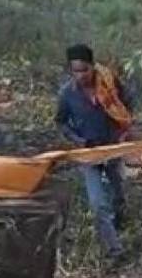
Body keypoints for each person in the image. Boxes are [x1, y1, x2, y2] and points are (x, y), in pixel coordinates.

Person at [54, 43, 134, 263]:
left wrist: (123, 131)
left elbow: (127, 103)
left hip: (113, 147)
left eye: (84, 70)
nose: (81, 75)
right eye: (76, 71)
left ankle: (120, 218)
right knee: (98, 204)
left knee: (117, 192)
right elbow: (60, 122)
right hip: (88, 153)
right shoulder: (67, 94)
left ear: (92, 67)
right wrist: (78, 140)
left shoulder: (110, 83)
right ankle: (114, 250)